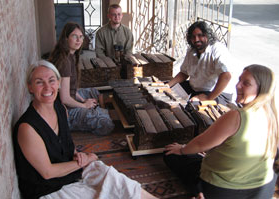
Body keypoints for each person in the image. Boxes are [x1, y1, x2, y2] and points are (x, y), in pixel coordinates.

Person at [13, 60, 158, 199]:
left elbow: (66, 144)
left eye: (51, 80)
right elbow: (47, 172)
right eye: (39, 82)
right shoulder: (27, 128)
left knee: (115, 179)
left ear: (58, 83)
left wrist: (77, 155)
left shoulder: (60, 109)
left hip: (70, 170)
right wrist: (84, 161)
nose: (47, 87)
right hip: (48, 189)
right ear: (30, 87)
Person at [164, 64, 278, 199]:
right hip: (263, 191)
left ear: (261, 90)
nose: (238, 85)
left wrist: (182, 149)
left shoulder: (236, 116)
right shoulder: (273, 115)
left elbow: (201, 144)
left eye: (246, 83)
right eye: (239, 80)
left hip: (224, 191)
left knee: (170, 154)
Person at [49, 22, 114, 136]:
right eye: (74, 36)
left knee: (94, 92)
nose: (78, 40)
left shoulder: (71, 55)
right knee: (106, 123)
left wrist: (83, 100)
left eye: (81, 37)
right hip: (65, 112)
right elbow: (64, 99)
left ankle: (95, 110)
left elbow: (71, 89)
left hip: (69, 99)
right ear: (66, 38)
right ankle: (87, 116)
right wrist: (84, 106)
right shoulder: (64, 61)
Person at [168, 21, 234, 105]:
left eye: (200, 35)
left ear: (208, 35)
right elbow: (184, 73)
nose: (196, 40)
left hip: (217, 93)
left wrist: (208, 98)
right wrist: (167, 85)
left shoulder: (217, 49)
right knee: (169, 92)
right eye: (193, 37)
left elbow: (226, 76)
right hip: (196, 89)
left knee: (192, 106)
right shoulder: (191, 50)